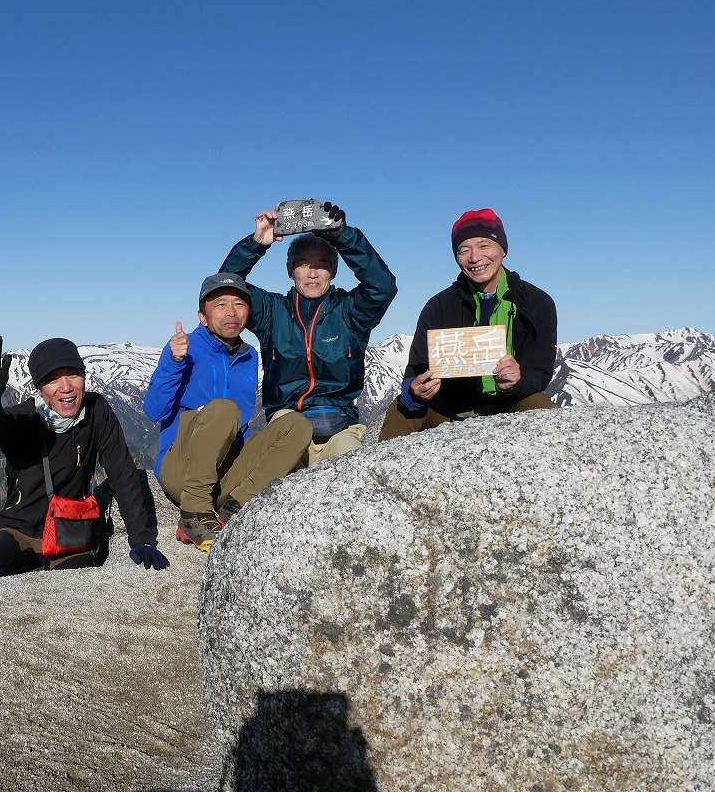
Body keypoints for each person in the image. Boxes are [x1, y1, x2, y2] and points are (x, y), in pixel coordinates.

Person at [0, 332, 168, 580]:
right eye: (52, 379)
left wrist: (141, 538)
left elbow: (121, 472)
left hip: (71, 528)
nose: (66, 387)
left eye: (73, 374)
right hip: (20, 529)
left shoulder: (96, 410)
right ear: (39, 389)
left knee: (75, 591)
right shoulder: (26, 418)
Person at [143, 273, 313, 551]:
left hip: (224, 473)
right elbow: (154, 411)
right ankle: (193, 515)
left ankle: (235, 508)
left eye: (239, 304)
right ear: (203, 316)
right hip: (182, 470)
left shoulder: (249, 356)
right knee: (224, 408)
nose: (231, 312)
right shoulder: (184, 348)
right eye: (220, 304)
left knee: (297, 425)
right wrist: (174, 362)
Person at [220, 200, 397, 464]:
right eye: (303, 264)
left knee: (353, 465)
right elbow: (226, 286)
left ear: (333, 271)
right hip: (287, 424)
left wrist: (343, 237)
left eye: (321, 264)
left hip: (340, 427)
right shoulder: (271, 313)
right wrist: (257, 243)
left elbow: (382, 286)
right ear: (291, 271)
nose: (312, 272)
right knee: (281, 467)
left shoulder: (351, 312)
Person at [378, 208, 557, 441]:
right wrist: (415, 391)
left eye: (484, 245)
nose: (474, 258)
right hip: (448, 409)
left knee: (538, 404)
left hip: (510, 402)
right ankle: (382, 465)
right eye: (464, 250)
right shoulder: (438, 306)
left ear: (503, 249)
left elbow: (541, 371)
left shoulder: (536, 303)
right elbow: (415, 369)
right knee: (401, 409)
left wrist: (517, 381)